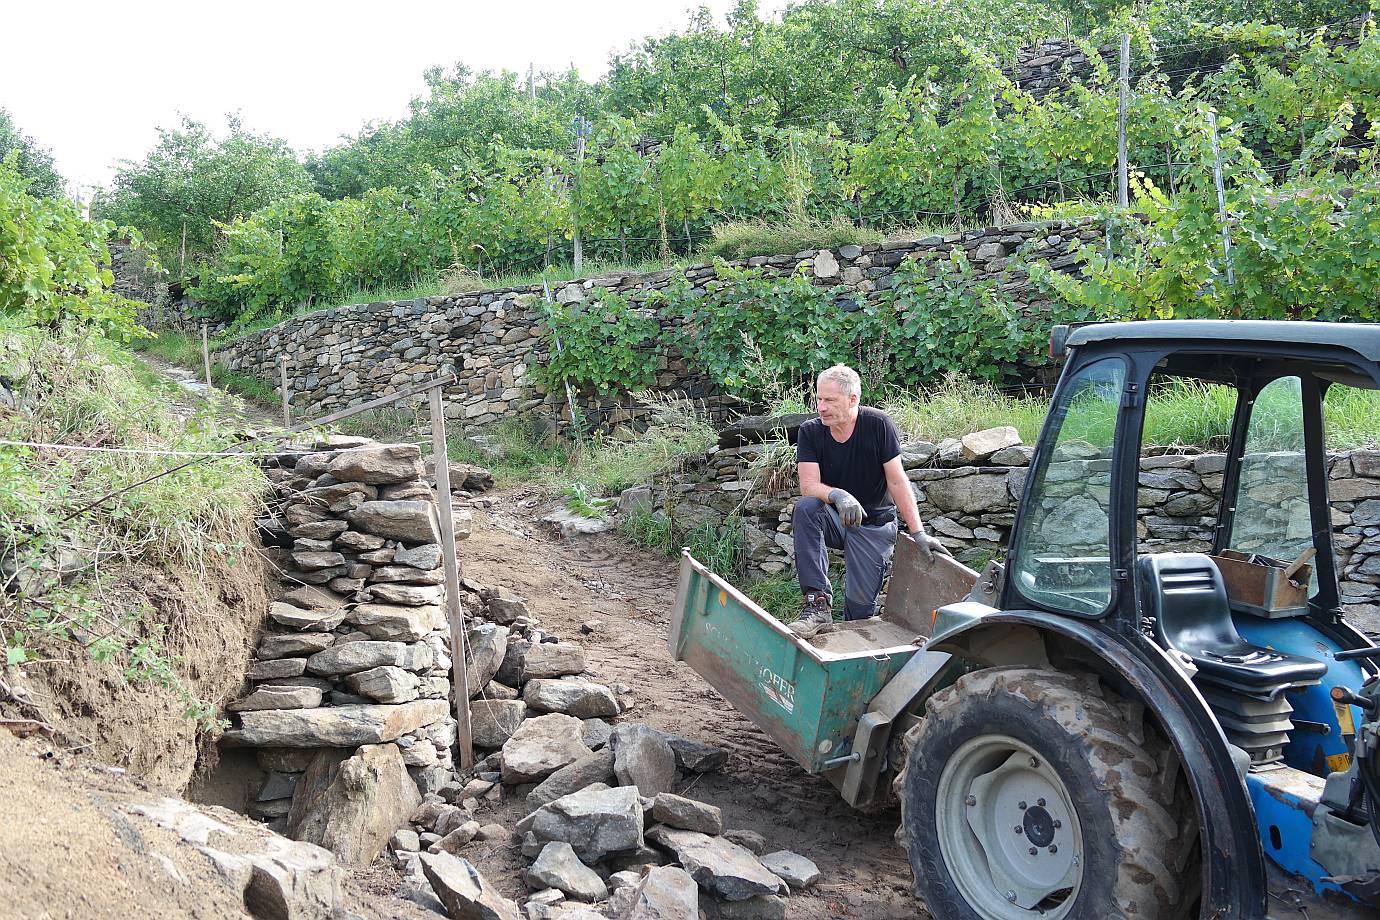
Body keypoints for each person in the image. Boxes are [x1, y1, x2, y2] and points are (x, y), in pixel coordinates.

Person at [790, 364, 947, 638]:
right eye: (818, 398)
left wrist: (918, 533)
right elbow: (808, 486)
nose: (821, 407)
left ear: (853, 399)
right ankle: (817, 605)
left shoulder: (878, 425)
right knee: (806, 509)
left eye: (830, 400)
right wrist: (838, 496)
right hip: (836, 519)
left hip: (874, 524)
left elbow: (897, 481)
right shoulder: (810, 431)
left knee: (860, 613)